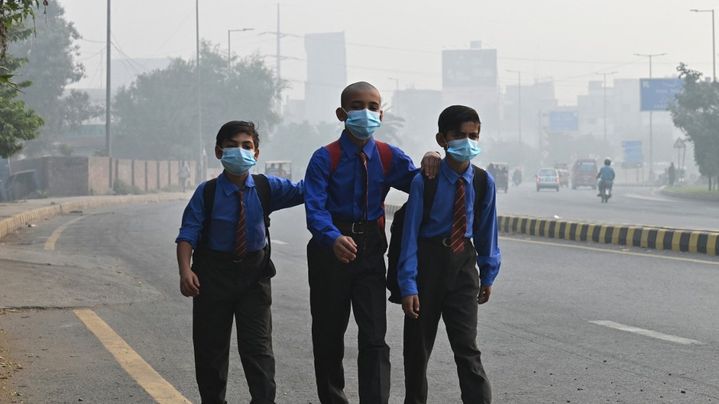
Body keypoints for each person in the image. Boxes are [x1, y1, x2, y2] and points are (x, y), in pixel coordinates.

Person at [304, 81, 440, 404]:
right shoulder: (325, 158)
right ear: (342, 113)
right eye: (356, 106)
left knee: (374, 337)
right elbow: (314, 208)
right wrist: (333, 237)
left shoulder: (387, 156)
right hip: (330, 254)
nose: (365, 112)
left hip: (370, 252)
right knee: (328, 336)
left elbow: (421, 182)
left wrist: (434, 157)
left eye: (372, 106)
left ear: (381, 113)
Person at [175, 120, 303, 404]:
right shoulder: (206, 193)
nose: (240, 152)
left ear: (256, 154)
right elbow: (187, 235)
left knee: (258, 351)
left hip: (254, 279)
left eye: (247, 146)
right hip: (212, 278)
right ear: (219, 152)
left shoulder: (266, 188)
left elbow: (306, 190)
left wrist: (330, 167)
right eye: (232, 146)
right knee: (210, 353)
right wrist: (185, 271)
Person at [397, 105, 500, 404]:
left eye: (473, 136)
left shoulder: (482, 182)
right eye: (459, 135)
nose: (466, 142)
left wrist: (488, 273)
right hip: (427, 267)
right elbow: (410, 236)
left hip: (463, 266)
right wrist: (408, 285)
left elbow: (486, 232)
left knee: (467, 349)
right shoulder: (424, 181)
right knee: (417, 351)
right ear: (442, 139)